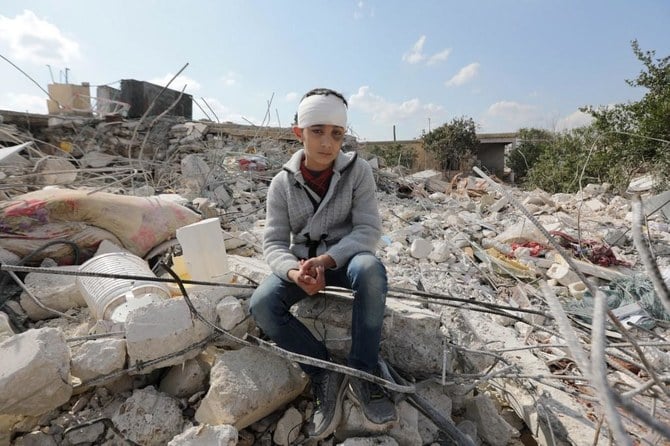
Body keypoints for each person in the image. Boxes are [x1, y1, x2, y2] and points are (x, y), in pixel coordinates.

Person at [249, 88, 397, 439]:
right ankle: (324, 372)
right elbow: (273, 243)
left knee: (371, 271)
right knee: (262, 304)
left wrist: (328, 259)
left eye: (337, 133)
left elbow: (368, 229)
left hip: (344, 261)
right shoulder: (281, 184)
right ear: (298, 132)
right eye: (317, 131)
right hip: (302, 265)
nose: (327, 143)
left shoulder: (358, 172)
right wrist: (293, 272)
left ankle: (363, 373)